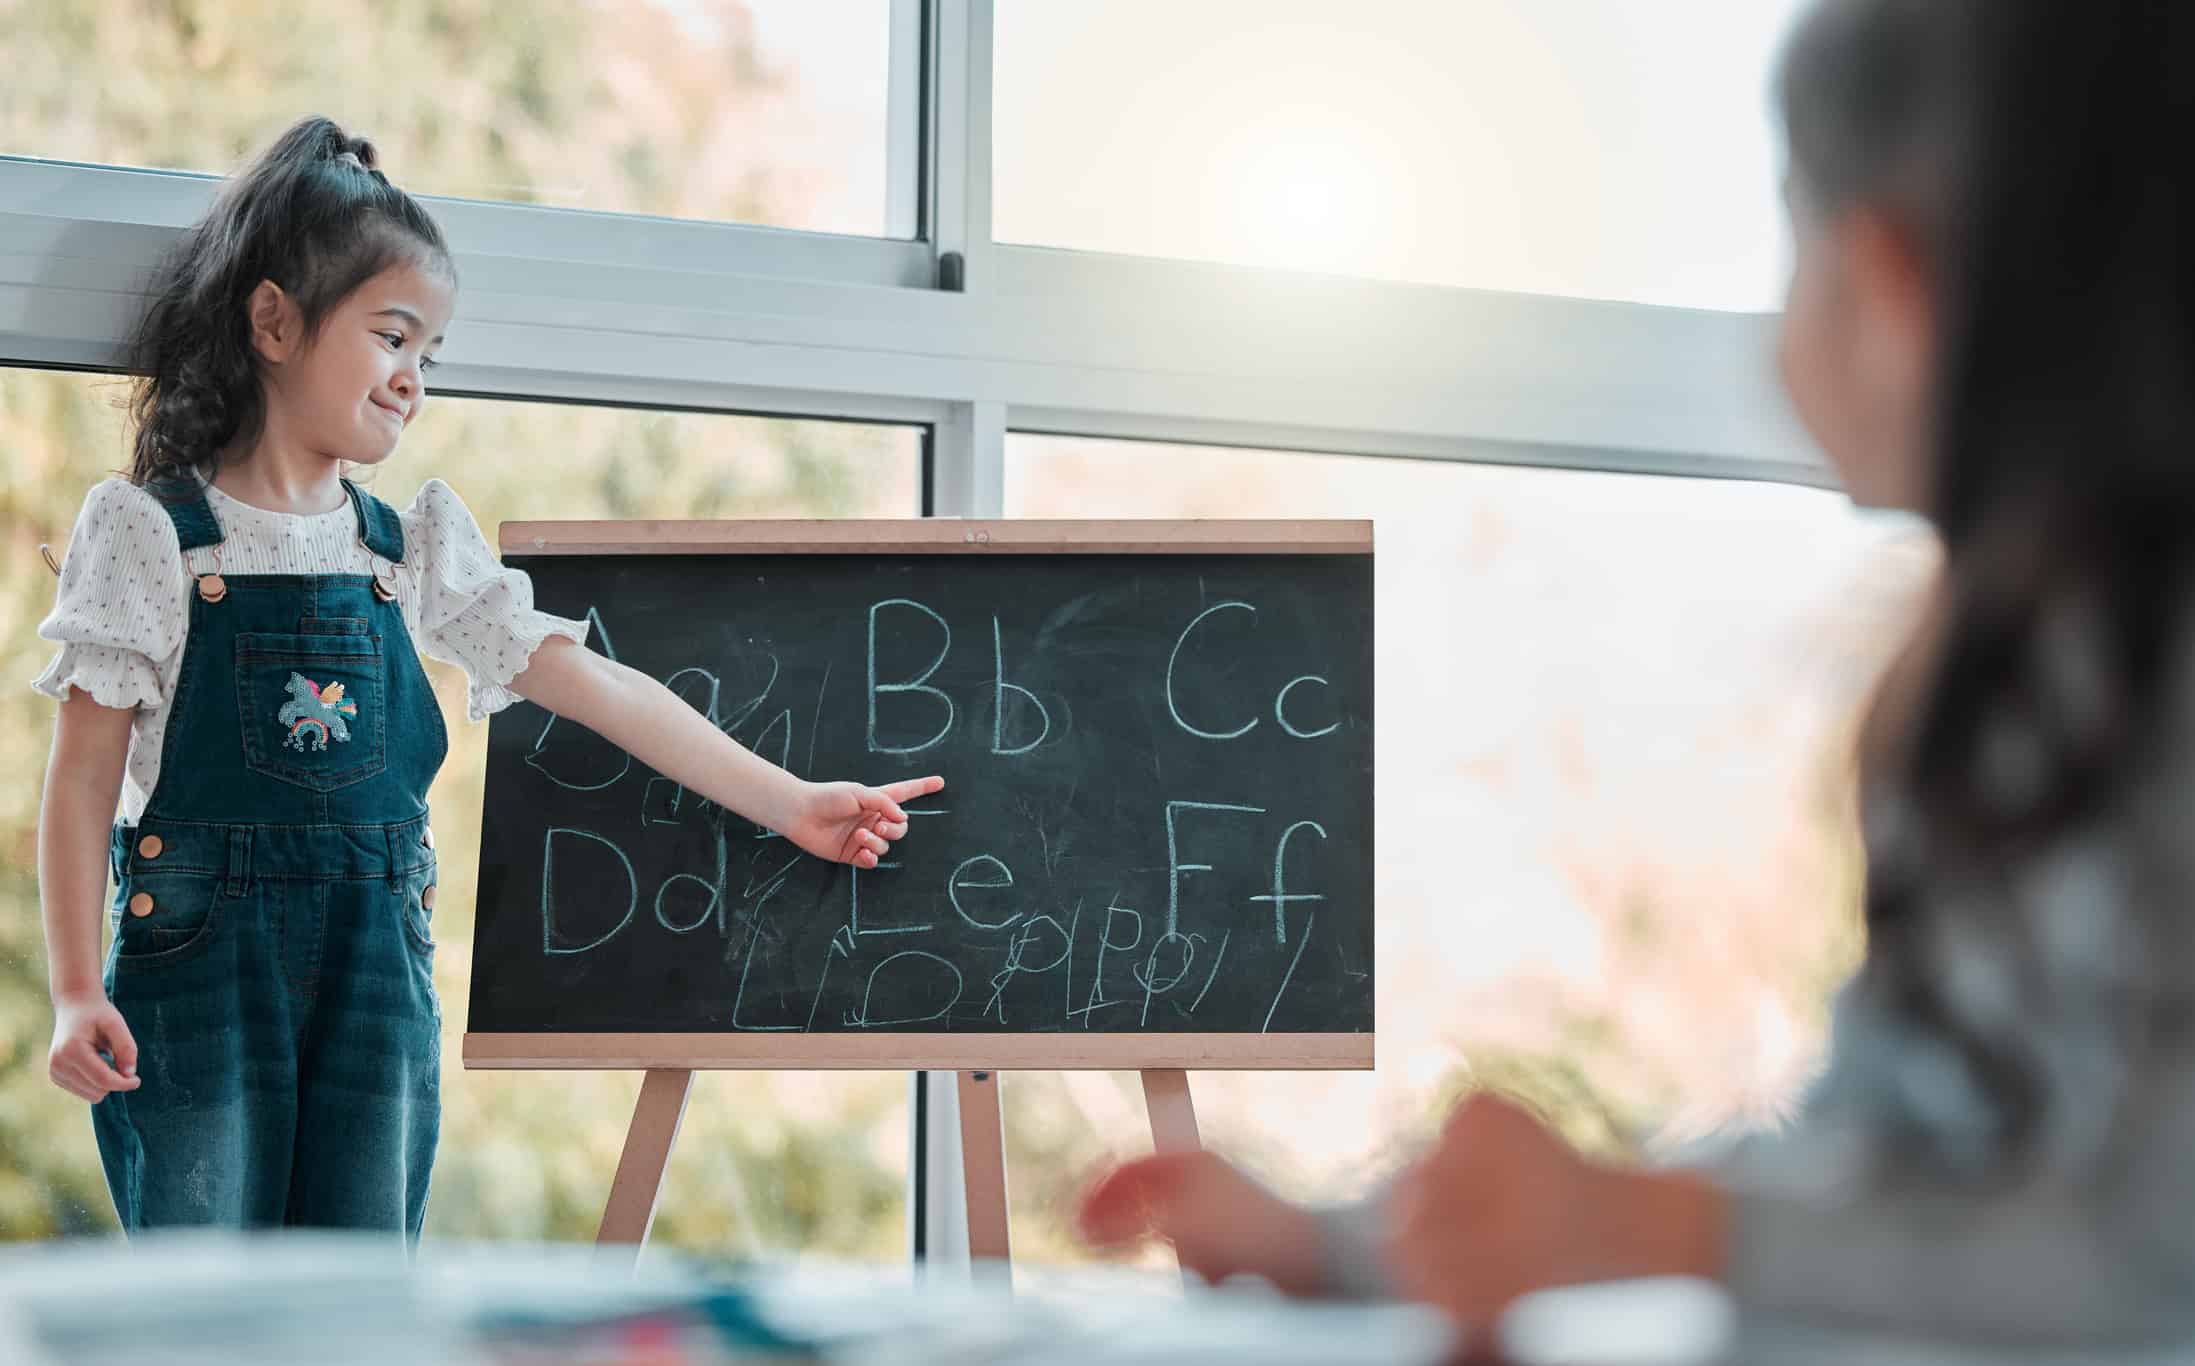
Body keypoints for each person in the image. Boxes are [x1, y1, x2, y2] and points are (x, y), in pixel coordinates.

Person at [1080, 0, 2195, 1348]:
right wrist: (1345, 1241)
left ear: (1883, 288)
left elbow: (2141, 1253)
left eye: (1791, 244)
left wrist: (1658, 1226)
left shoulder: (2124, 692)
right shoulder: (2002, 684)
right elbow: (1877, 1157)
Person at [34, 116, 944, 1238]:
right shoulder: (149, 530)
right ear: (274, 320)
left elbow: (598, 687)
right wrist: (77, 988)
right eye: (391, 337)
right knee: (206, 1304)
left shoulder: (408, 543)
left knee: (364, 1292)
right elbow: (81, 781)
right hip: (193, 972)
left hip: (374, 976)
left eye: (429, 356)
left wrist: (789, 801)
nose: (413, 379)